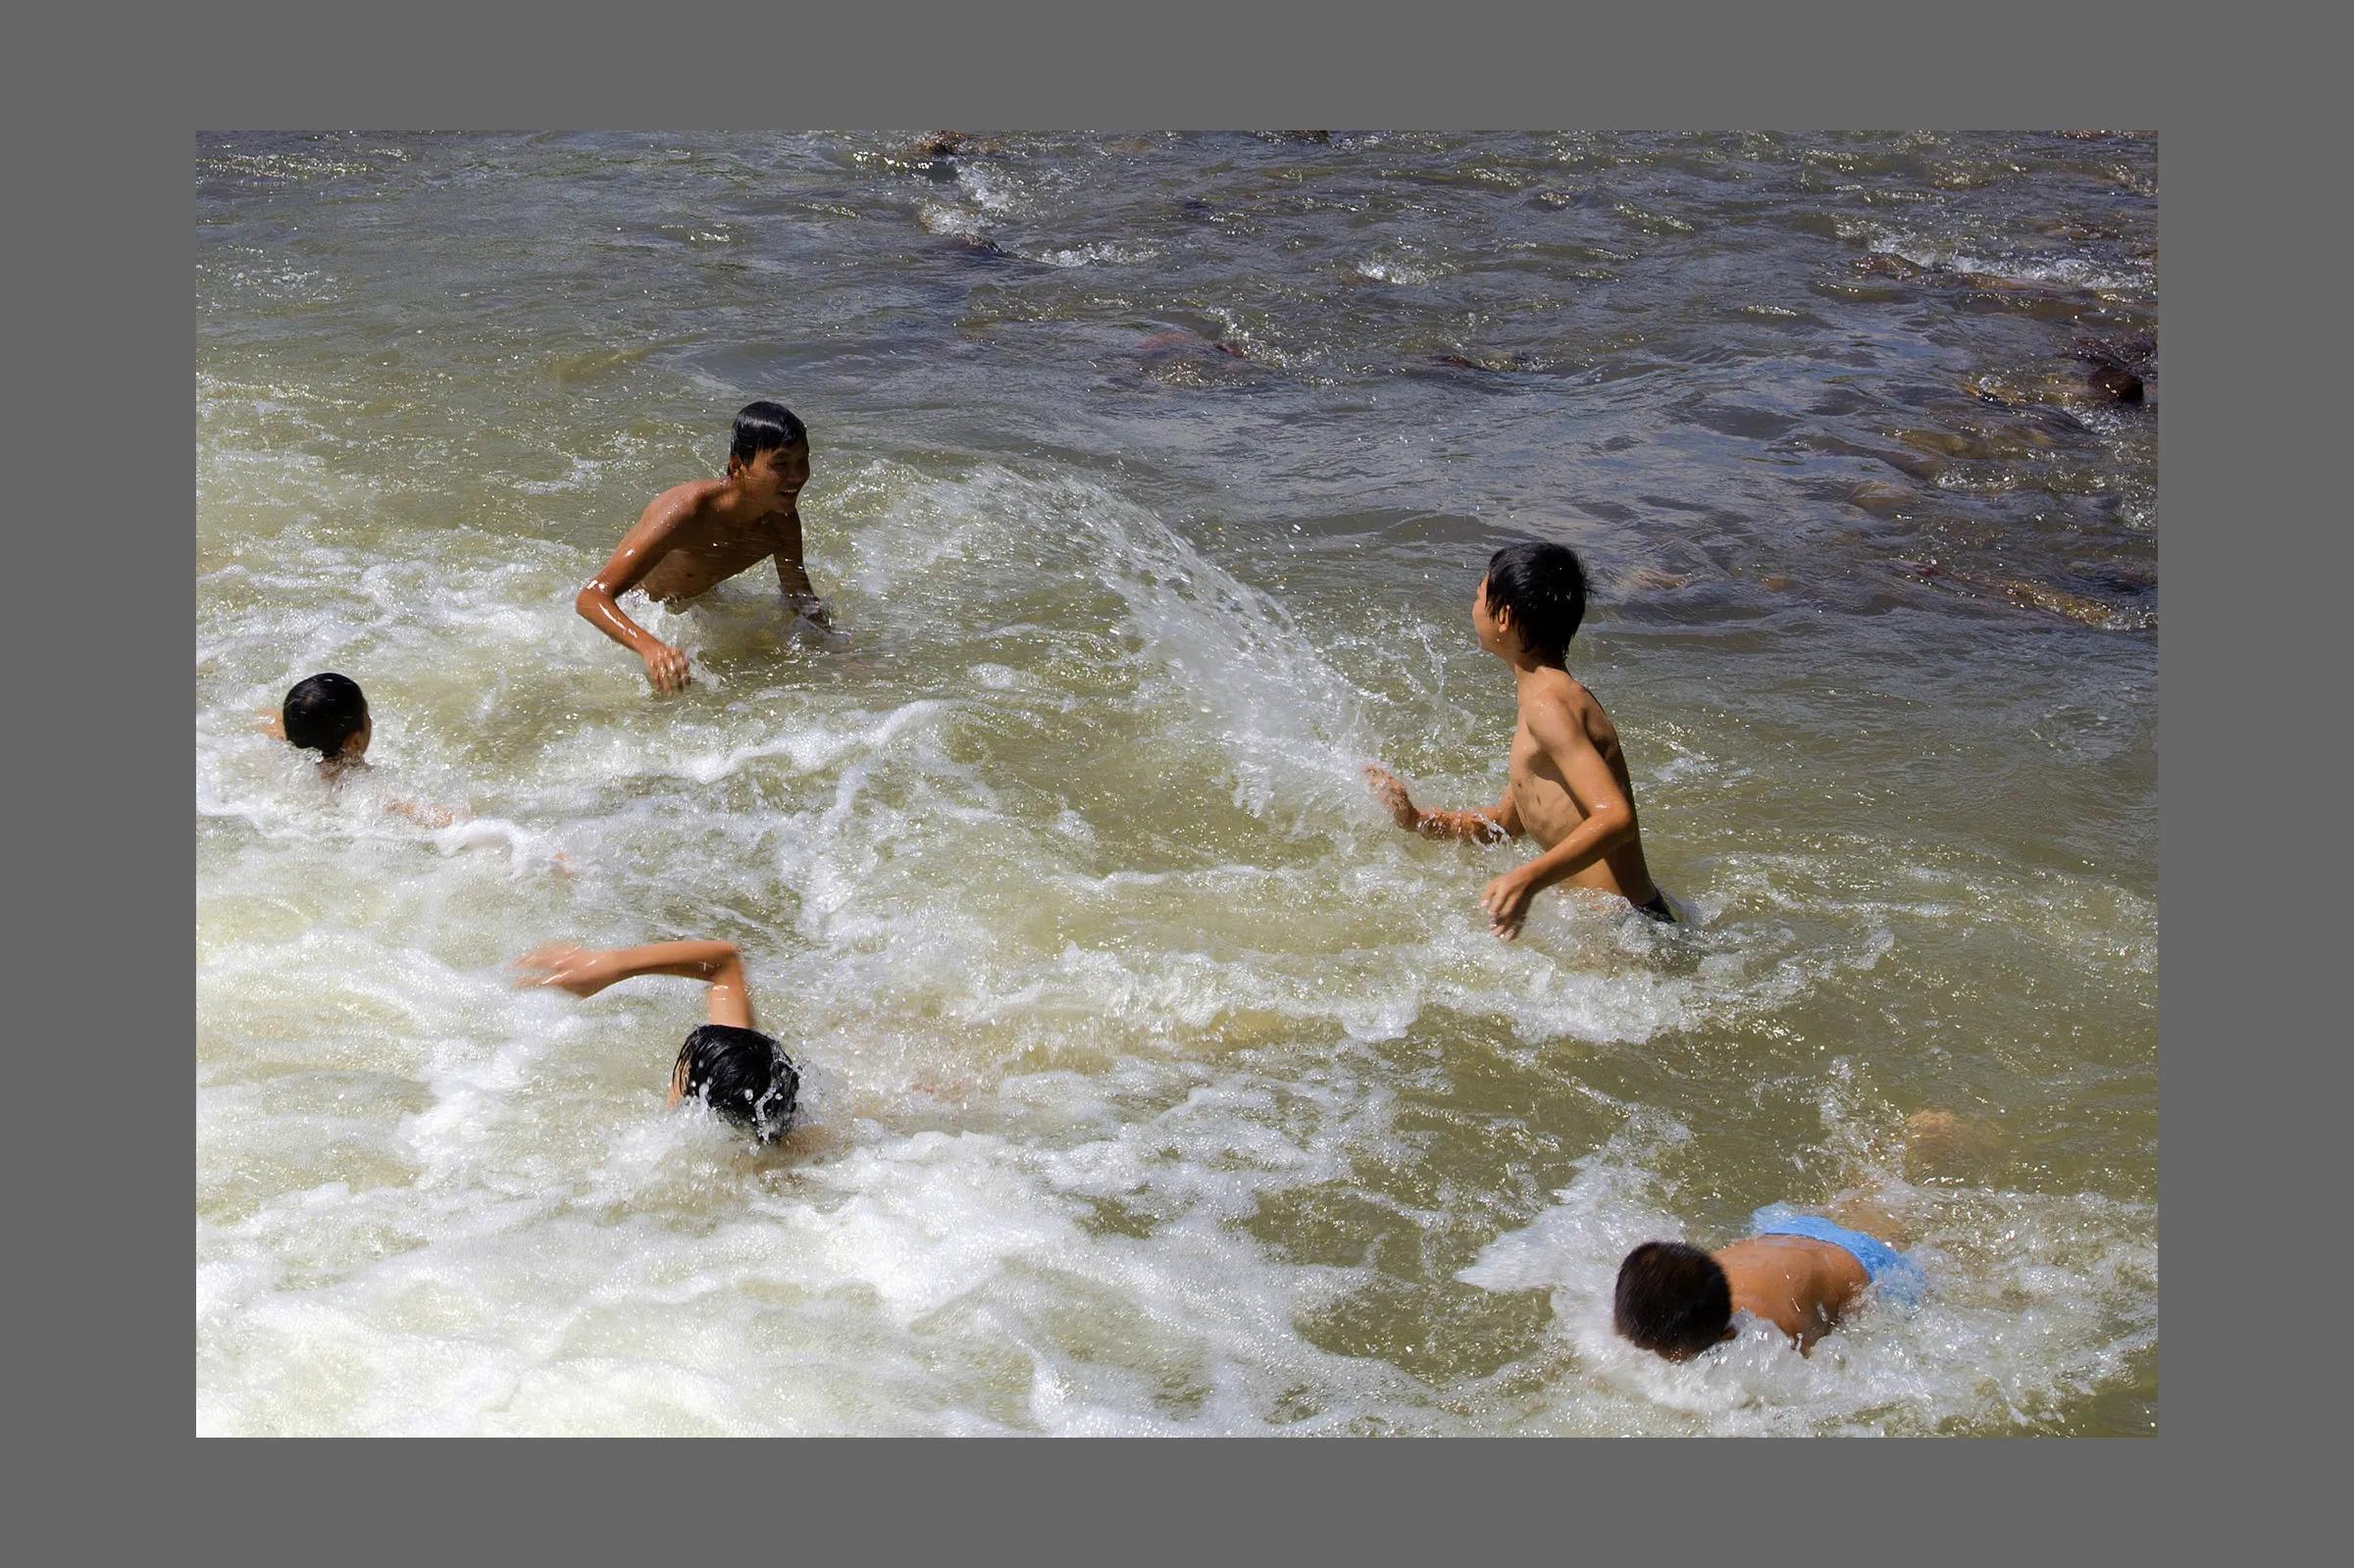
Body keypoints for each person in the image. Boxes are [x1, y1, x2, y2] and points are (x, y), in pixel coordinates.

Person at [1365, 542, 1667, 938]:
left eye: (1478, 595)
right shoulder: (1545, 700)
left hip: (1625, 928)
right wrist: (1417, 819)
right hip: (1617, 924)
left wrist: (1528, 879)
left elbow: (1615, 818)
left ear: (1503, 616)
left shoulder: (1550, 705)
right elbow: (1506, 824)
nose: (1473, 607)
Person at [1612, 1112, 1978, 1358]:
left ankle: (1942, 1134)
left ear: (1725, 1336)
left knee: (1965, 1270)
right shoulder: (1662, 1302)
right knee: (1874, 1199)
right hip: (1787, 1234)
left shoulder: (1774, 1337)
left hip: (1865, 1264)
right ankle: (1916, 1138)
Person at [575, 399, 830, 695]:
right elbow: (591, 597)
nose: (798, 475)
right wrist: (651, 648)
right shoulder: (686, 513)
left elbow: (800, 599)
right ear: (737, 466)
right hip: (635, 618)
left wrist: (839, 652)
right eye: (781, 464)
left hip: (696, 608)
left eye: (803, 460)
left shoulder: (781, 521)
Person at [512, 937, 800, 1143]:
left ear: (698, 1102)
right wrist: (609, 964)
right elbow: (727, 963)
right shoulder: (758, 1096)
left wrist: (612, 964)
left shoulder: (666, 1163)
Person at [264, 672, 462, 828]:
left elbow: (273, 722)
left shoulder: (288, 763)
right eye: (367, 715)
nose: (371, 720)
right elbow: (444, 820)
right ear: (355, 741)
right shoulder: (369, 789)